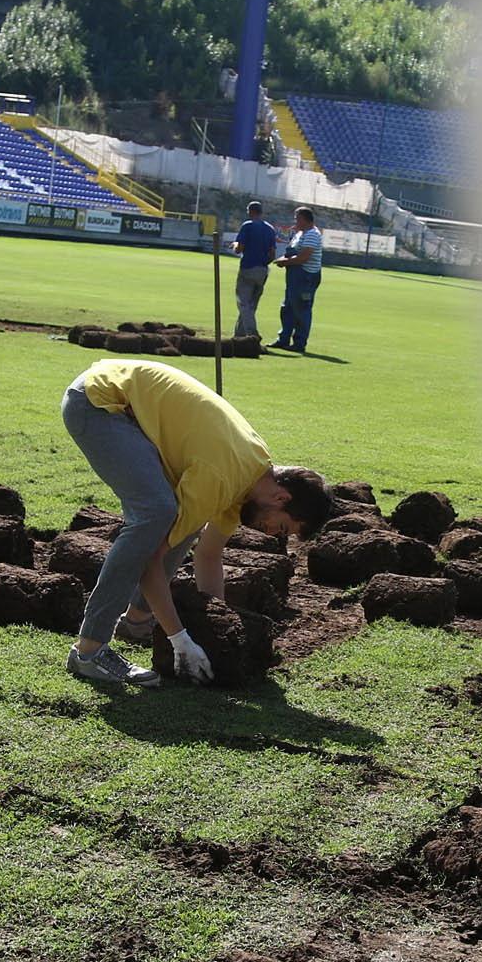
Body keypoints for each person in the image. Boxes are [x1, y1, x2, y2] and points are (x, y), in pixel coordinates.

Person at [58, 358, 331, 686]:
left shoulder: (250, 477)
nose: (273, 534)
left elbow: (209, 555)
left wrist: (216, 625)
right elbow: (150, 561)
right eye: (282, 527)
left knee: (182, 527)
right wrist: (179, 639)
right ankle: (89, 651)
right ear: (281, 499)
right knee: (155, 517)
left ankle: (137, 621)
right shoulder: (221, 477)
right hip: (100, 401)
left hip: (127, 407)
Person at [272, 206, 324, 353]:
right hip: (294, 278)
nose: (295, 221)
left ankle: (299, 343)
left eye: (297, 218)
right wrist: (281, 260)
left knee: (302, 309)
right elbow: (291, 253)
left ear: (304, 219)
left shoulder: (312, 234)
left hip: (305, 278)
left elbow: (303, 257)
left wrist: (285, 262)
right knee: (287, 308)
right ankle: (283, 339)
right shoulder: (300, 234)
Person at [231, 202, 279, 341]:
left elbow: (239, 248)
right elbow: (272, 254)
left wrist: (235, 245)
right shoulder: (270, 229)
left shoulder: (248, 225)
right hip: (263, 270)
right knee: (251, 305)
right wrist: (263, 265)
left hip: (248, 268)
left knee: (243, 303)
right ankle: (239, 335)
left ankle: (252, 333)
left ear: (249, 211)